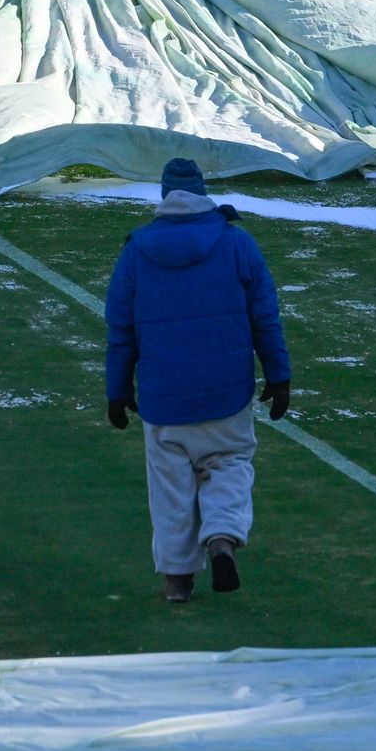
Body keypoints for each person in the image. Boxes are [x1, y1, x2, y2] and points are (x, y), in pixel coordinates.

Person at [104, 157, 292, 603]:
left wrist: (117, 390)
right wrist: (279, 375)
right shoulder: (237, 243)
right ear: (203, 192)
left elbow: (121, 328)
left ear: (165, 196)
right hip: (226, 391)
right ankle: (223, 537)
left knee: (171, 488)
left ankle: (177, 581)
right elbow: (265, 317)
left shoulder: (137, 250)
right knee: (229, 463)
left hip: (163, 397)